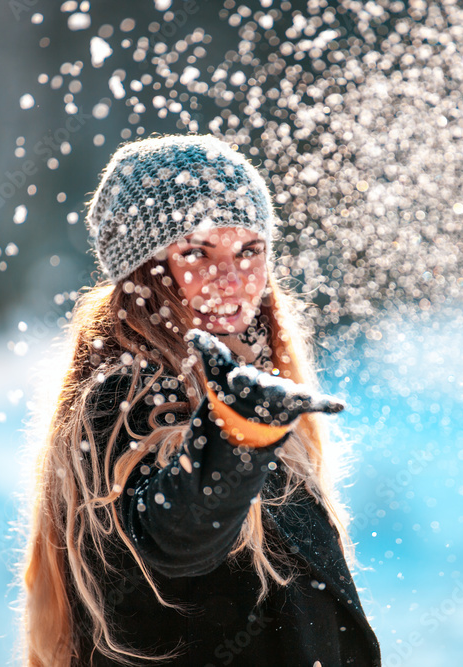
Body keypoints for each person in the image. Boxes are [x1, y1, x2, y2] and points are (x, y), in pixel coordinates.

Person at [19, 135, 382, 666]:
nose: (231, 280)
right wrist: (235, 432)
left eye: (249, 250)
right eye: (196, 251)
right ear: (143, 271)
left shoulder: (240, 379)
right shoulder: (126, 394)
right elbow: (175, 536)